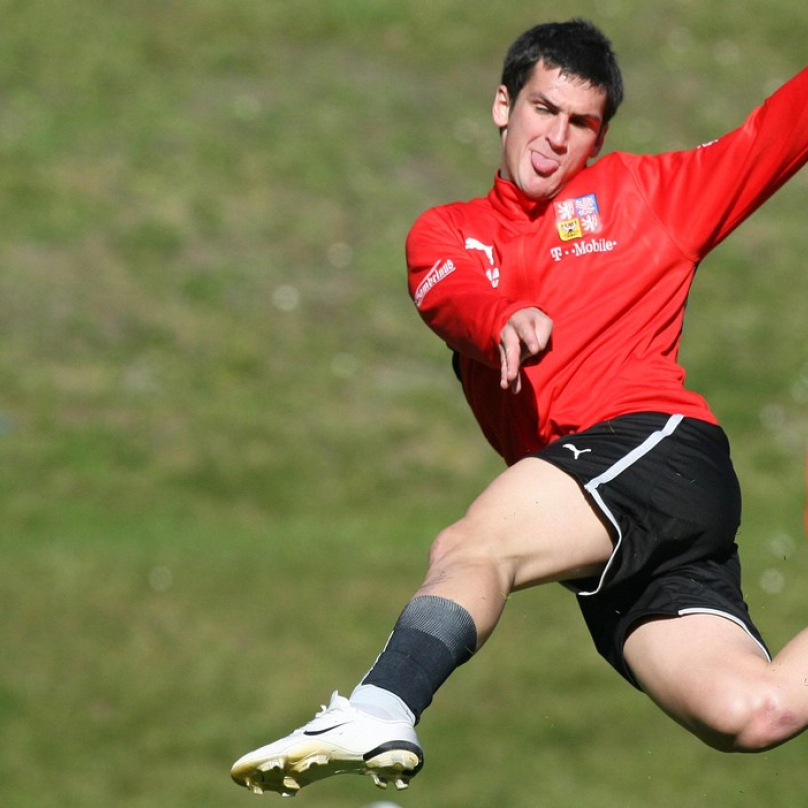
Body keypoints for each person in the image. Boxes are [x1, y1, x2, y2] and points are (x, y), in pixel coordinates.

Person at [231, 19, 808, 797]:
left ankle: (380, 706)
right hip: (607, 532)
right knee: (753, 710)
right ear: (504, 105)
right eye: (544, 109)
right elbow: (452, 297)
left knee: (474, 546)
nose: (556, 137)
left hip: (654, 450)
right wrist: (502, 318)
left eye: (581, 123)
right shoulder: (449, 232)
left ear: (600, 136)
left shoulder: (646, 195)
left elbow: (776, 132)